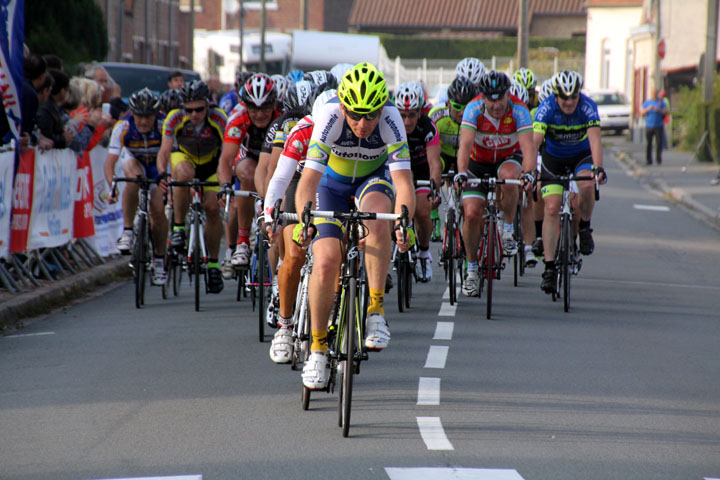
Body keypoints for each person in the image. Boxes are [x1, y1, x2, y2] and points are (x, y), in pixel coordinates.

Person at [294, 62, 415, 390]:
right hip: (329, 186)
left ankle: (375, 309)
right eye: (356, 115)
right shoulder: (330, 115)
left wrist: (405, 222)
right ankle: (317, 348)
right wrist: (304, 220)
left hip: (371, 181)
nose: (363, 124)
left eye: (371, 116)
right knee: (327, 261)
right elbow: (308, 180)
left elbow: (404, 181)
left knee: (379, 220)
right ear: (344, 106)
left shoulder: (391, 118)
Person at [263, 89, 332, 364]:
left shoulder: (349, 131)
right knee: (293, 255)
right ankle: (284, 325)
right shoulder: (302, 130)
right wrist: (271, 216)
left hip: (329, 186)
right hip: (298, 182)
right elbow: (279, 179)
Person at [454, 70, 536, 297]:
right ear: (483, 97)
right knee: (471, 214)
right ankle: (472, 269)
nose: (496, 104)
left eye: (500, 98)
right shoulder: (473, 109)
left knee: (511, 177)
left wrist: (528, 173)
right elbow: (465, 145)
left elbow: (528, 148)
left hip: (507, 159)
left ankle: (508, 228)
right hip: (477, 163)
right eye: (491, 99)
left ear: (508, 95)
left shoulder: (519, 110)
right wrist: (461, 173)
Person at [532, 70, 607, 294]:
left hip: (580, 156)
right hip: (553, 159)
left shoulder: (587, 106)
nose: (569, 102)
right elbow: (535, 142)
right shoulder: (546, 108)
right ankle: (549, 267)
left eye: (573, 97)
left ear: (578, 95)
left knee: (586, 184)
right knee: (552, 207)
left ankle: (584, 227)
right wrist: (528, 171)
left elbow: (595, 140)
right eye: (564, 98)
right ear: (556, 96)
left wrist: (599, 168)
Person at [157, 80, 228, 293]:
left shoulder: (218, 118)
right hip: (184, 158)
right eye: (189, 110)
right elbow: (164, 151)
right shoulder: (175, 118)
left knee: (213, 209)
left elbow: (228, 153)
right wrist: (162, 173)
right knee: (184, 174)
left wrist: (227, 183)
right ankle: (179, 227)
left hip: (211, 164)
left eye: (199, 109)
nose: (194, 114)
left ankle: (214, 265)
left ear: (207, 105)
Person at [105, 88, 169, 285]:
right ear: (132, 113)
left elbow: (171, 157)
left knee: (158, 212)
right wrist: (112, 187)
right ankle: (128, 230)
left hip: (158, 167)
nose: (143, 121)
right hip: (136, 162)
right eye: (139, 116)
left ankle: (159, 260)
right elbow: (109, 163)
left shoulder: (164, 125)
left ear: (156, 114)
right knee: (132, 176)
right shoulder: (122, 127)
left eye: (148, 116)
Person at [216, 74, 279, 270]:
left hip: (274, 156)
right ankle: (242, 241)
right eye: (254, 109)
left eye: (265, 108)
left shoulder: (283, 116)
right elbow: (226, 159)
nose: (260, 114)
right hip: (248, 155)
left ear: (274, 104)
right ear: (246, 106)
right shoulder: (239, 117)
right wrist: (225, 186)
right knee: (249, 174)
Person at [394, 82, 442, 282]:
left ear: (420, 112)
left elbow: (435, 163)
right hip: (397, 169)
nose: (406, 121)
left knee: (423, 209)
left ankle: (424, 254)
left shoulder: (428, 127)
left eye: (412, 115)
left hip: (421, 169)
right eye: (402, 115)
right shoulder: (389, 124)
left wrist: (434, 189)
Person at [428, 75, 477, 241]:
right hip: (443, 156)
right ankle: (434, 215)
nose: (462, 112)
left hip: (465, 159)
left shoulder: (477, 118)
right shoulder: (437, 116)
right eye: (457, 107)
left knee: (466, 200)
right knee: (434, 167)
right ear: (448, 103)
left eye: (467, 107)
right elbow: (427, 146)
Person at [36, 69, 74, 150]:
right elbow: (46, 134)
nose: (67, 93)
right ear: (61, 90)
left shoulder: (53, 106)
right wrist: (63, 139)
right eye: (66, 89)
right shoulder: (46, 108)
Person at [640, 87, 667, 166]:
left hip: (658, 125)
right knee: (649, 143)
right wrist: (648, 109)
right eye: (653, 93)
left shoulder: (661, 102)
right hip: (649, 125)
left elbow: (665, 112)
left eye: (655, 93)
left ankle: (658, 159)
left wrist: (658, 109)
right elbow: (641, 112)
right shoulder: (647, 102)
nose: (654, 94)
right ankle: (649, 160)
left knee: (659, 143)